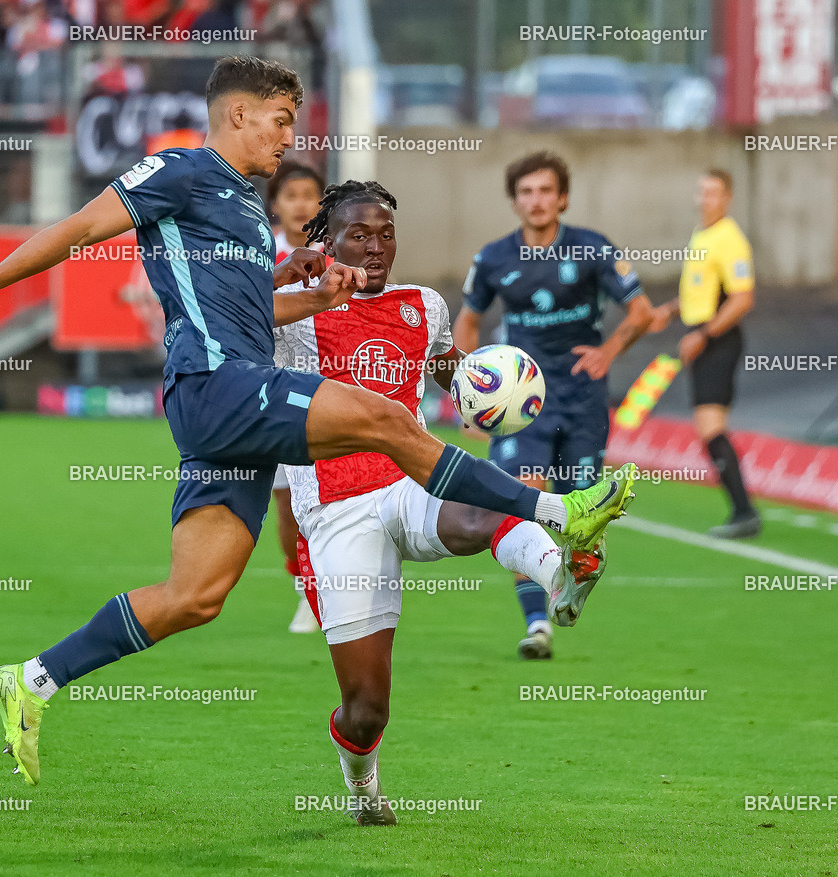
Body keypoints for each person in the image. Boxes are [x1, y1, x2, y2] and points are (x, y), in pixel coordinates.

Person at [0, 56, 637, 788]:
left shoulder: (243, 204)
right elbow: (82, 227)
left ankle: (32, 680)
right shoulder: (180, 170)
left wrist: (309, 288)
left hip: (229, 407)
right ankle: (560, 512)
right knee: (385, 418)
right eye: (280, 120)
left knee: (195, 596)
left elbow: (246, 307)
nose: (289, 137)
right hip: (216, 385)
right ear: (238, 114)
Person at [275, 180, 608, 825]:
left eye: (386, 234)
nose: (376, 247)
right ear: (328, 244)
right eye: (358, 235)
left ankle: (560, 573)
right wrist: (289, 279)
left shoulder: (422, 305)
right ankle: (363, 787)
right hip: (337, 508)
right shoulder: (296, 313)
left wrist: (488, 386)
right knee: (366, 710)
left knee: (482, 506)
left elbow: (448, 370)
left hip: (410, 479)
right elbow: (223, 319)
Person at [453, 151, 653, 661]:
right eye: (526, 192)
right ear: (514, 201)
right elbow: (467, 323)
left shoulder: (592, 249)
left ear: (562, 198)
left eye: (545, 190)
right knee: (521, 501)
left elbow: (641, 312)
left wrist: (609, 351)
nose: (536, 200)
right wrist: (469, 396)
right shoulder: (494, 258)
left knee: (579, 517)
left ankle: (570, 583)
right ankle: (538, 623)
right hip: (520, 404)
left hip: (583, 398)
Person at [648, 169, 758, 538]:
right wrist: (670, 310)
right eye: (701, 191)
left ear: (727, 198)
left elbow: (741, 299)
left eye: (712, 193)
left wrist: (703, 335)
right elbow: (700, 291)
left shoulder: (730, 239)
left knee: (711, 426)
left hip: (719, 340)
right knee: (708, 426)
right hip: (701, 335)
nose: (704, 199)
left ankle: (744, 511)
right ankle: (742, 510)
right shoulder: (702, 234)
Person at [266, 160, 327, 632]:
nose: (301, 204)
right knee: (287, 505)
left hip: (328, 392)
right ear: (275, 205)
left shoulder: (339, 254)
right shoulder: (260, 252)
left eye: (310, 195)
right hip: (273, 392)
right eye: (291, 195)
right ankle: (302, 584)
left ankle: (329, 592)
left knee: (328, 500)